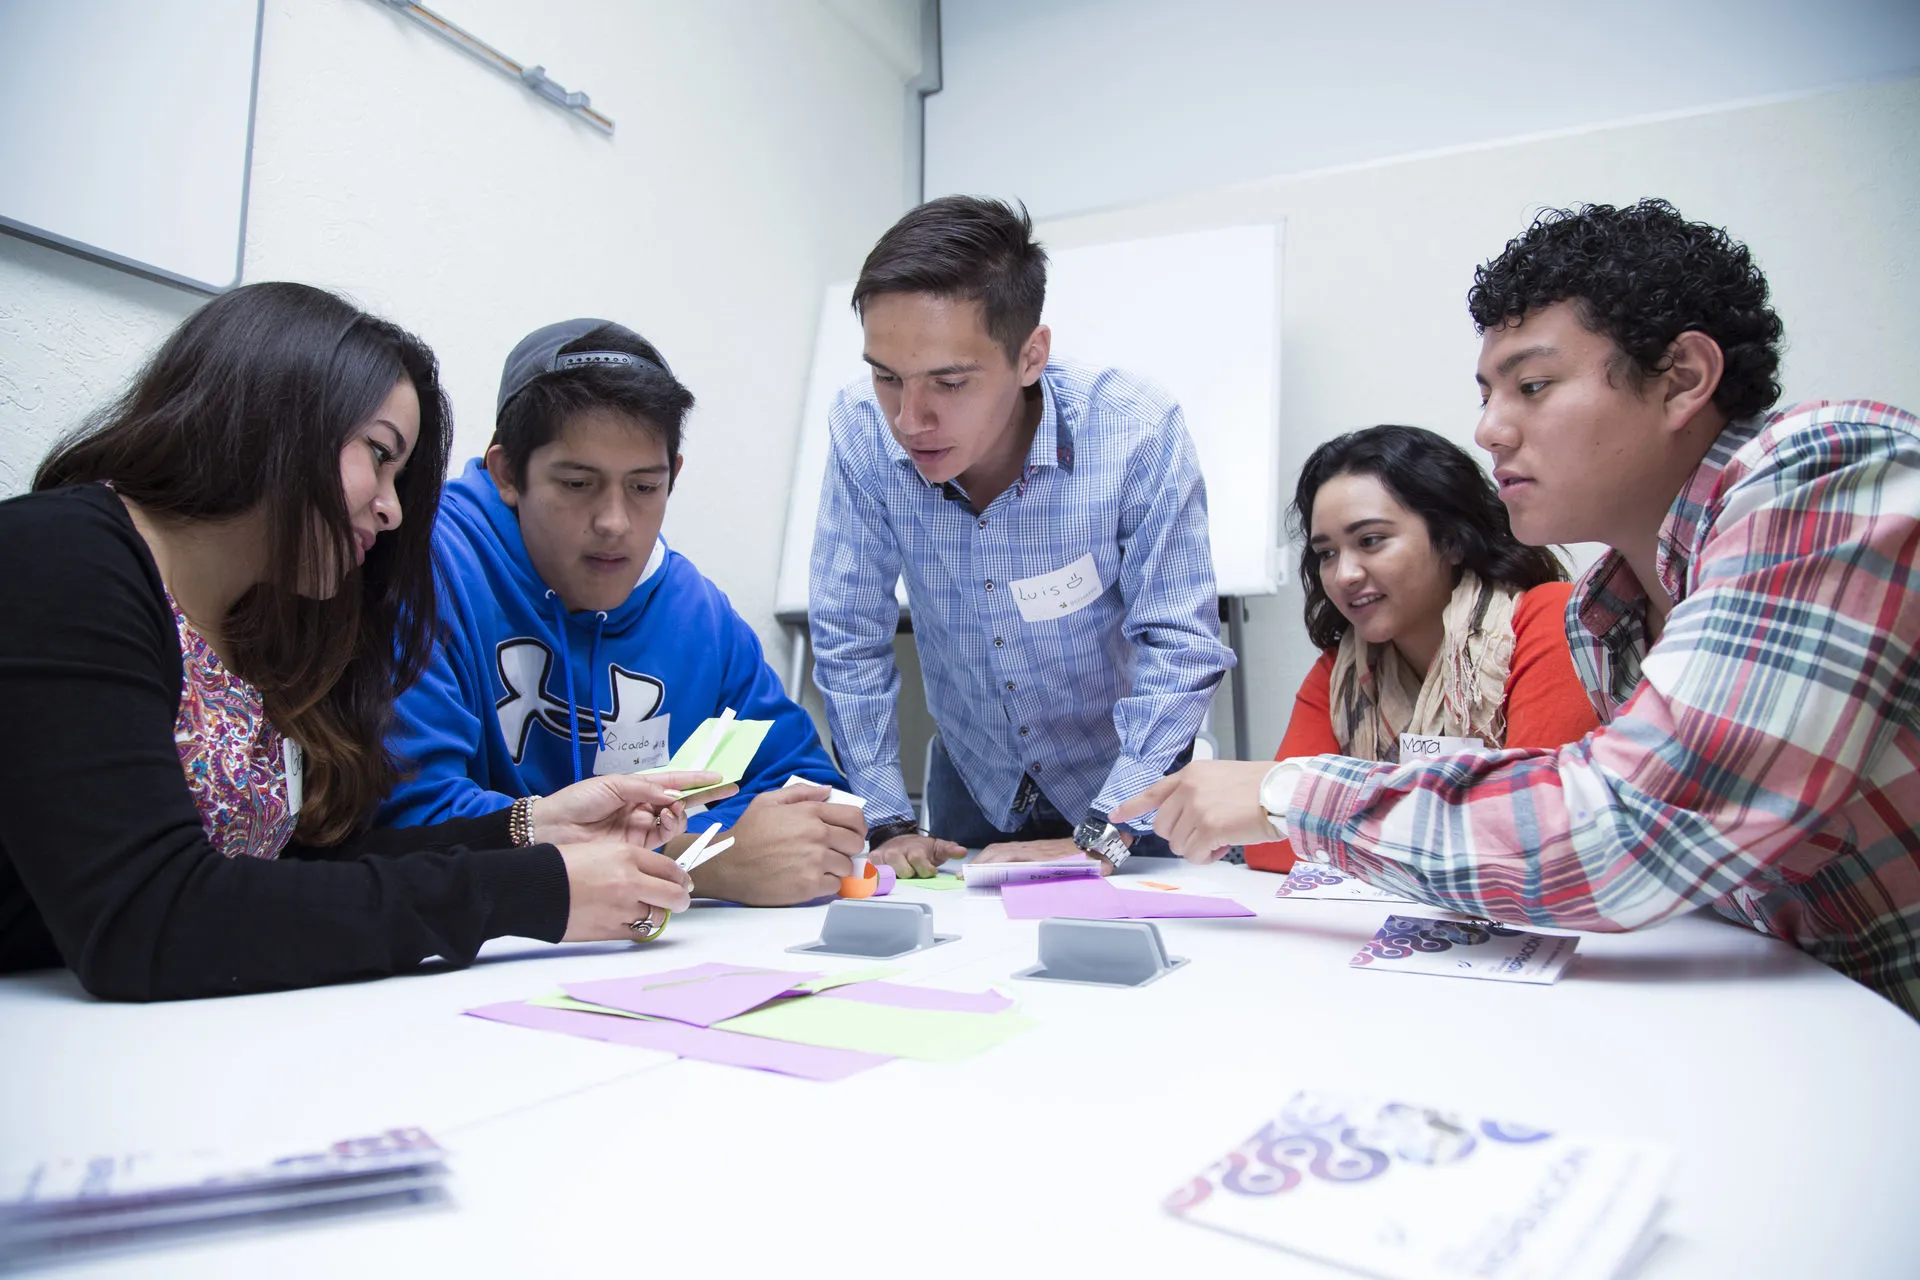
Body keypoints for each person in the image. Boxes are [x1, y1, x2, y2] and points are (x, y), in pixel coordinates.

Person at [1116, 199, 1920, 1016]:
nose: (1490, 429)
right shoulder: (1608, 615)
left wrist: (1289, 793)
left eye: (1532, 386)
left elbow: (1614, 836)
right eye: (1490, 392)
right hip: (1802, 1012)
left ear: (1681, 379)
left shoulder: (1819, 475)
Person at [0, 283, 721, 1002]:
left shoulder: (267, 622)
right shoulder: (61, 557)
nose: (391, 507)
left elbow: (298, 870)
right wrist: (535, 890)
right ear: (273, 418)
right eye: (377, 456)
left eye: (400, 474)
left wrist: (531, 826)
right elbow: (148, 919)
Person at [810, 195, 1235, 879]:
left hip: (1131, 787)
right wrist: (886, 818)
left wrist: (1106, 832)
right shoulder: (861, 429)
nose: (909, 419)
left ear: (1031, 355)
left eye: (949, 382)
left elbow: (1180, 646)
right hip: (975, 782)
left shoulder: (1133, 431)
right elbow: (848, 634)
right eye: (886, 376)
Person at [380, 319, 861, 907]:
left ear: (673, 476)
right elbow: (414, 821)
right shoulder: (424, 570)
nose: (614, 523)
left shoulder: (696, 616)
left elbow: (806, 795)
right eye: (578, 483)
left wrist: (716, 844)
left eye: (643, 487)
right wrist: (700, 859)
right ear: (508, 473)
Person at [1244, 425, 1600, 871]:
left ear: (1451, 539)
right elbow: (1270, 844)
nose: (1344, 574)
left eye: (1370, 541)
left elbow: (1535, 836)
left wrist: (1327, 814)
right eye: (1327, 553)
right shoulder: (1342, 672)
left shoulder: (1546, 619)